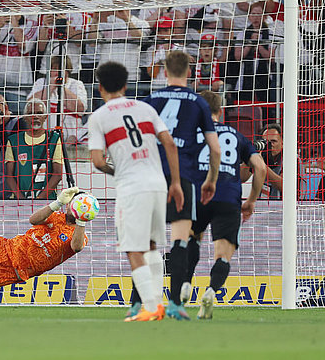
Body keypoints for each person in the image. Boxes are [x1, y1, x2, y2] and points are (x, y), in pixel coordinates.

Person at [88, 61, 184, 322]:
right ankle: (158, 304)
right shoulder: (146, 108)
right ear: (126, 85)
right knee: (151, 246)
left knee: (134, 249)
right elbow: (170, 145)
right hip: (158, 184)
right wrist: (175, 182)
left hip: (132, 187)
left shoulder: (99, 116)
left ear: (99, 88)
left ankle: (151, 308)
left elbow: (97, 161)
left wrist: (117, 171)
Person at [142, 50, 221, 320]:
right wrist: (210, 180)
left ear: (165, 71)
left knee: (147, 241)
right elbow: (215, 149)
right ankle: (175, 304)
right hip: (182, 177)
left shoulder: (150, 100)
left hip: (150, 176)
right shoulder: (199, 102)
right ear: (189, 72)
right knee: (180, 242)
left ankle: (141, 303)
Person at [180, 90, 267, 319]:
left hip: (198, 194)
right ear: (221, 111)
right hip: (228, 197)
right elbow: (260, 168)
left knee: (191, 237)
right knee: (223, 255)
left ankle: (186, 283)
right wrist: (251, 201)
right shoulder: (237, 136)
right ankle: (210, 291)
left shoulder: (191, 134)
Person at [5, 99, 63, 200]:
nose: (35, 116)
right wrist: (22, 200)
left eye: (39, 113)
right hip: (19, 201)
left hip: (47, 202)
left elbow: (57, 175)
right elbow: (9, 176)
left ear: (45, 117)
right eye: (31, 113)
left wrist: (39, 199)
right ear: (25, 117)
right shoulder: (13, 140)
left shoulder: (54, 138)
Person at [27, 55, 87, 145]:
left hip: (70, 140)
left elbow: (80, 108)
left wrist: (61, 87)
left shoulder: (76, 84)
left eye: (61, 69)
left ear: (67, 71)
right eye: (54, 69)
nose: (57, 73)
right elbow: (31, 105)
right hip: (44, 138)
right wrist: (50, 87)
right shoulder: (41, 82)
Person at [259, 123, 283, 199]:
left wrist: (262, 167)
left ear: (282, 142)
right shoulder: (261, 156)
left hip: (287, 207)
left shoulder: (291, 159)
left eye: (273, 141)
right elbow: (242, 177)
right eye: (265, 142)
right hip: (262, 206)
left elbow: (286, 187)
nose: (269, 145)